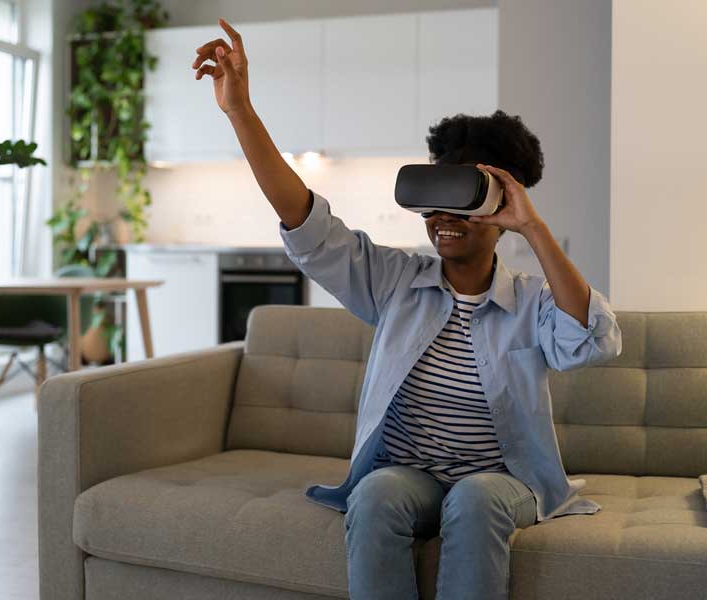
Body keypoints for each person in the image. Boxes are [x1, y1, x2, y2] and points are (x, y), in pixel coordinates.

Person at [193, 18, 623, 600]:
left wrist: (532, 225)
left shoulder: (529, 302)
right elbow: (309, 227)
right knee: (374, 494)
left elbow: (590, 340)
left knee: (474, 497)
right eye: (433, 199)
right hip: (409, 474)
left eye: (461, 199)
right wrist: (240, 110)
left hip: (502, 481)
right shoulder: (396, 281)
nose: (442, 217)